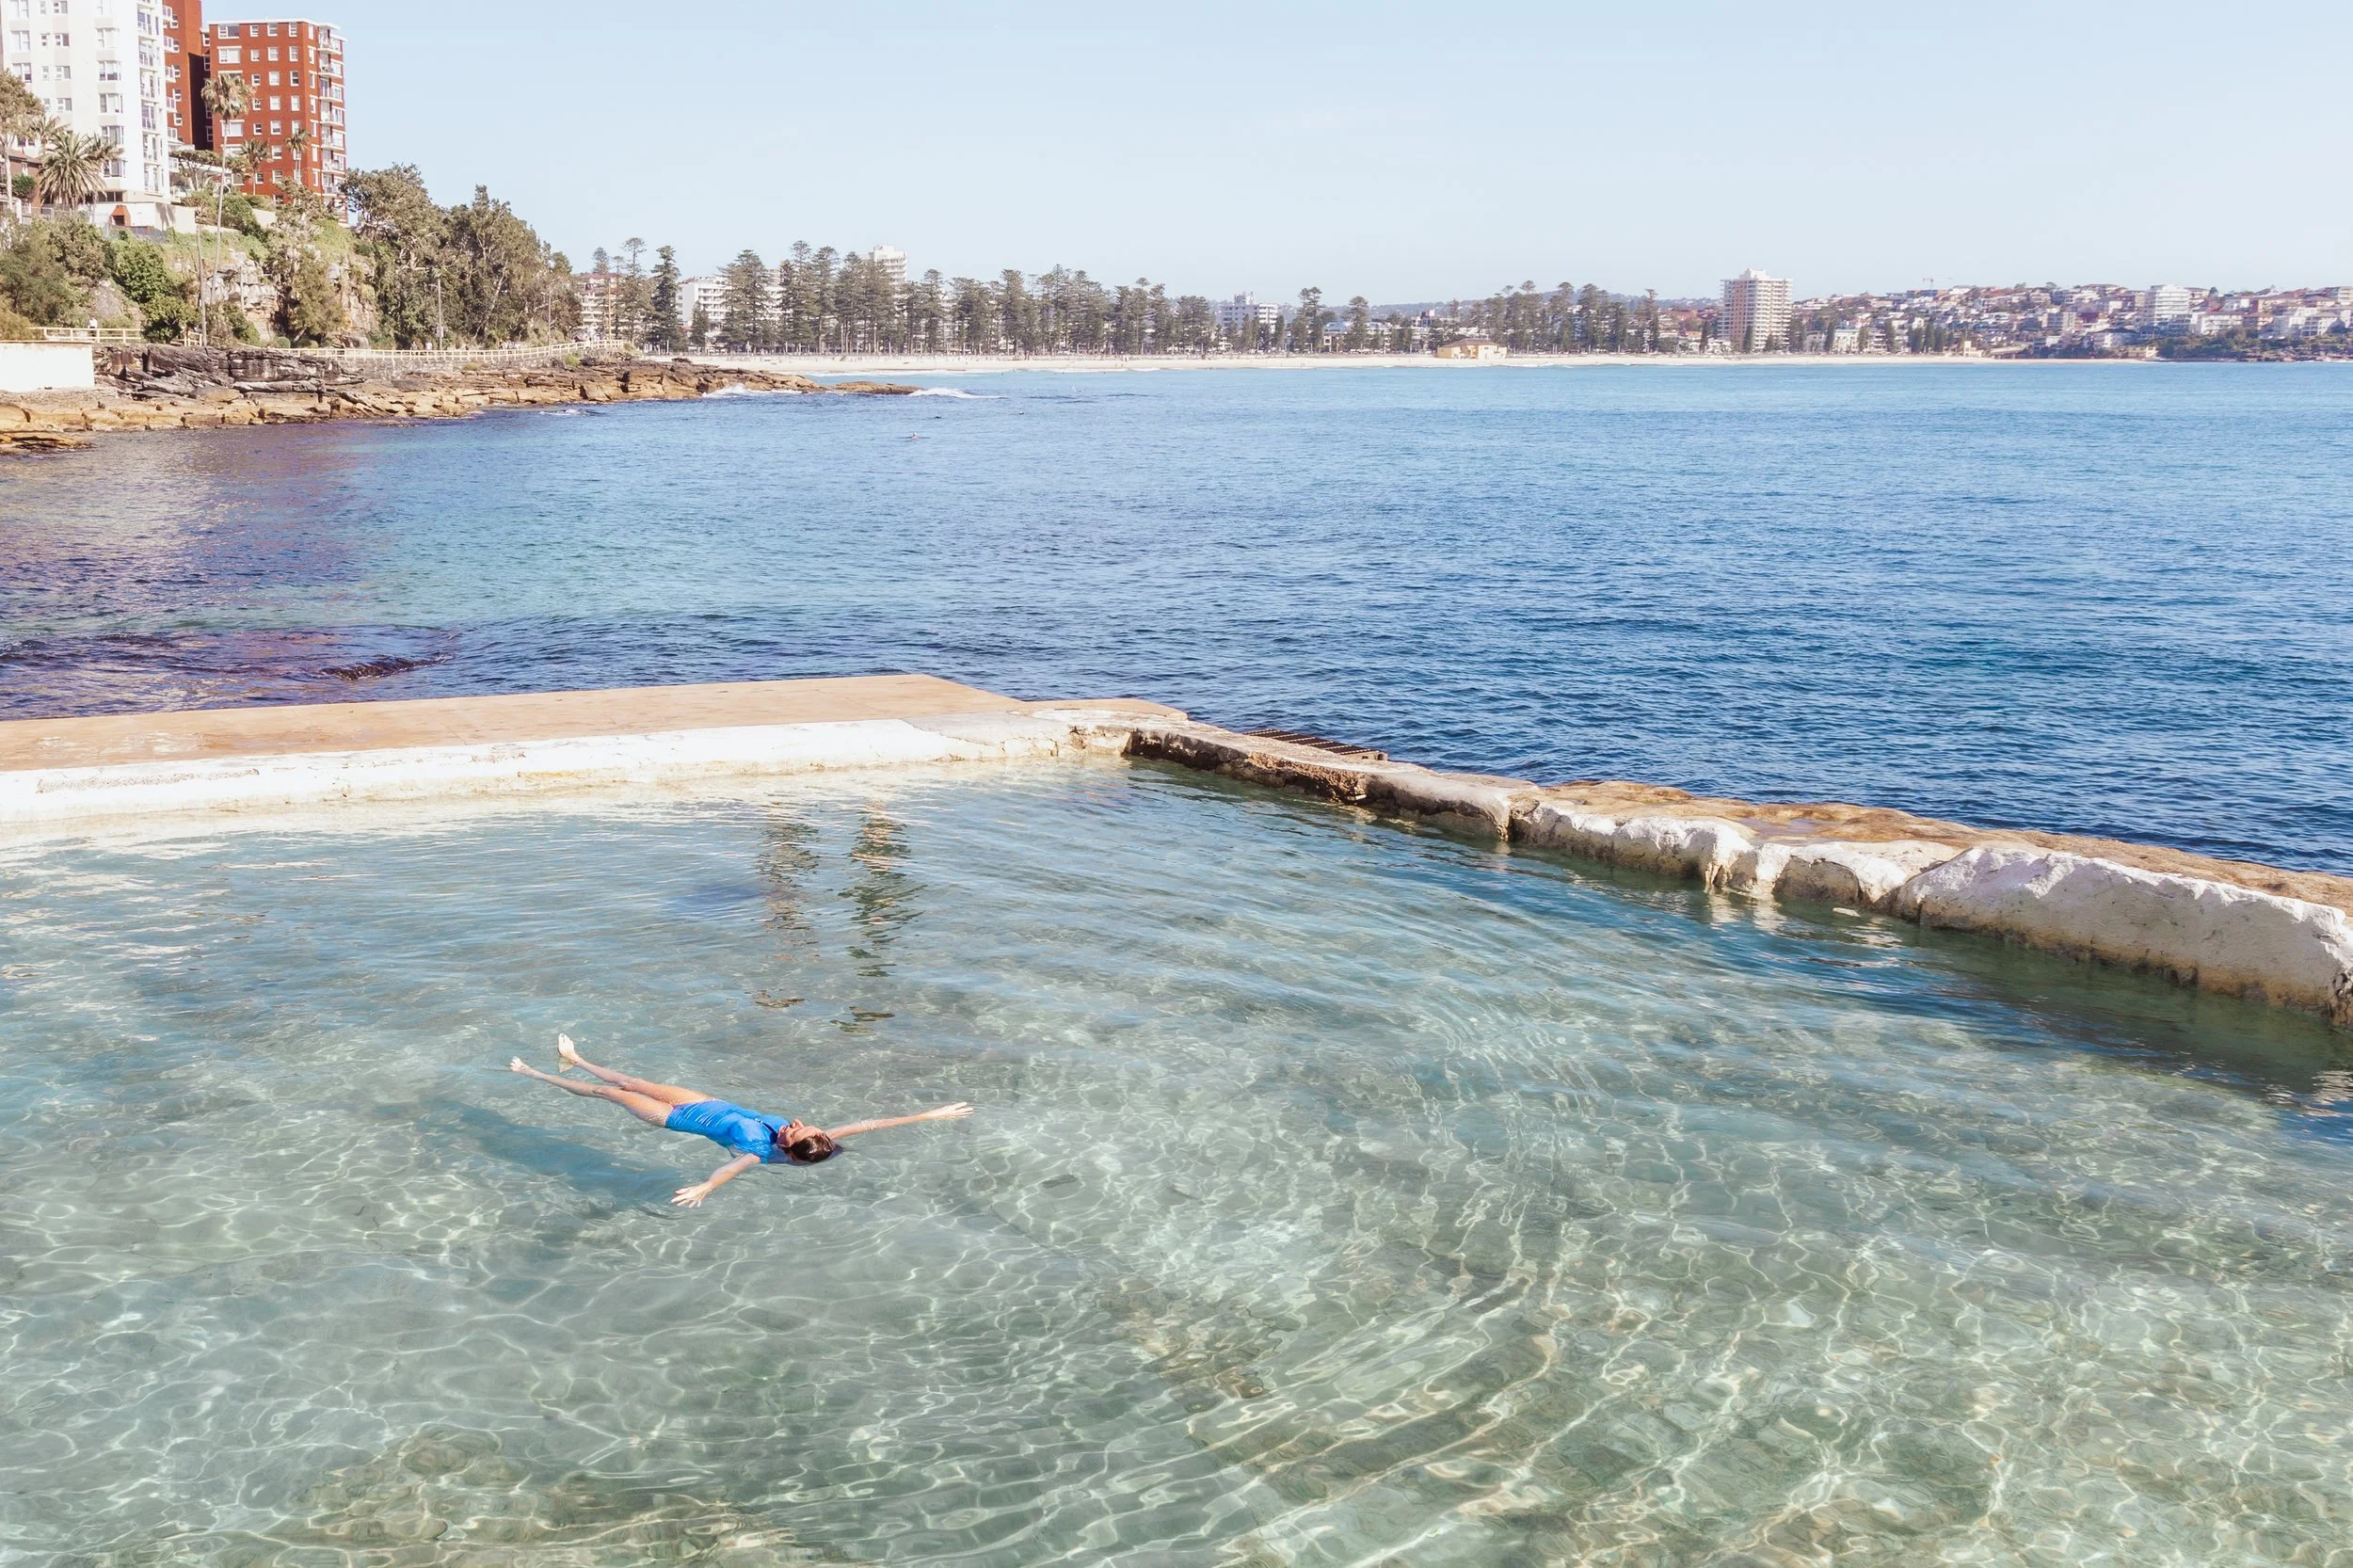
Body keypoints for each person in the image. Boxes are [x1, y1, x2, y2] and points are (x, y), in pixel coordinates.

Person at [509, 1035, 971, 1207]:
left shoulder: (757, 1150)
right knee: (632, 1079)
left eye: (797, 1129)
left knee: (608, 1094)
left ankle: (534, 1074)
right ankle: (577, 1058)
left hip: (676, 1119)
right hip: (709, 1101)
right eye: (807, 1125)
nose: (797, 1121)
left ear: (787, 1149)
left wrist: (707, 1187)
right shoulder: (817, 1141)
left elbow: (730, 1169)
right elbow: (870, 1124)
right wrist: (929, 1114)